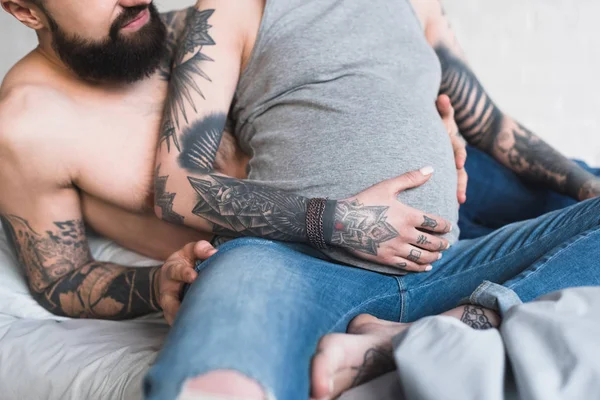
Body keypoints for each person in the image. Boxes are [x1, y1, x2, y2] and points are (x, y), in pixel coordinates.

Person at [138, 0, 600, 399]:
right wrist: (335, 221)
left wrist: (587, 187)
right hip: (295, 265)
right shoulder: (232, 9)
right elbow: (175, 185)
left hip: (448, 268)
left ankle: (417, 334)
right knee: (219, 376)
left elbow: (491, 125)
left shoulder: (417, 5)